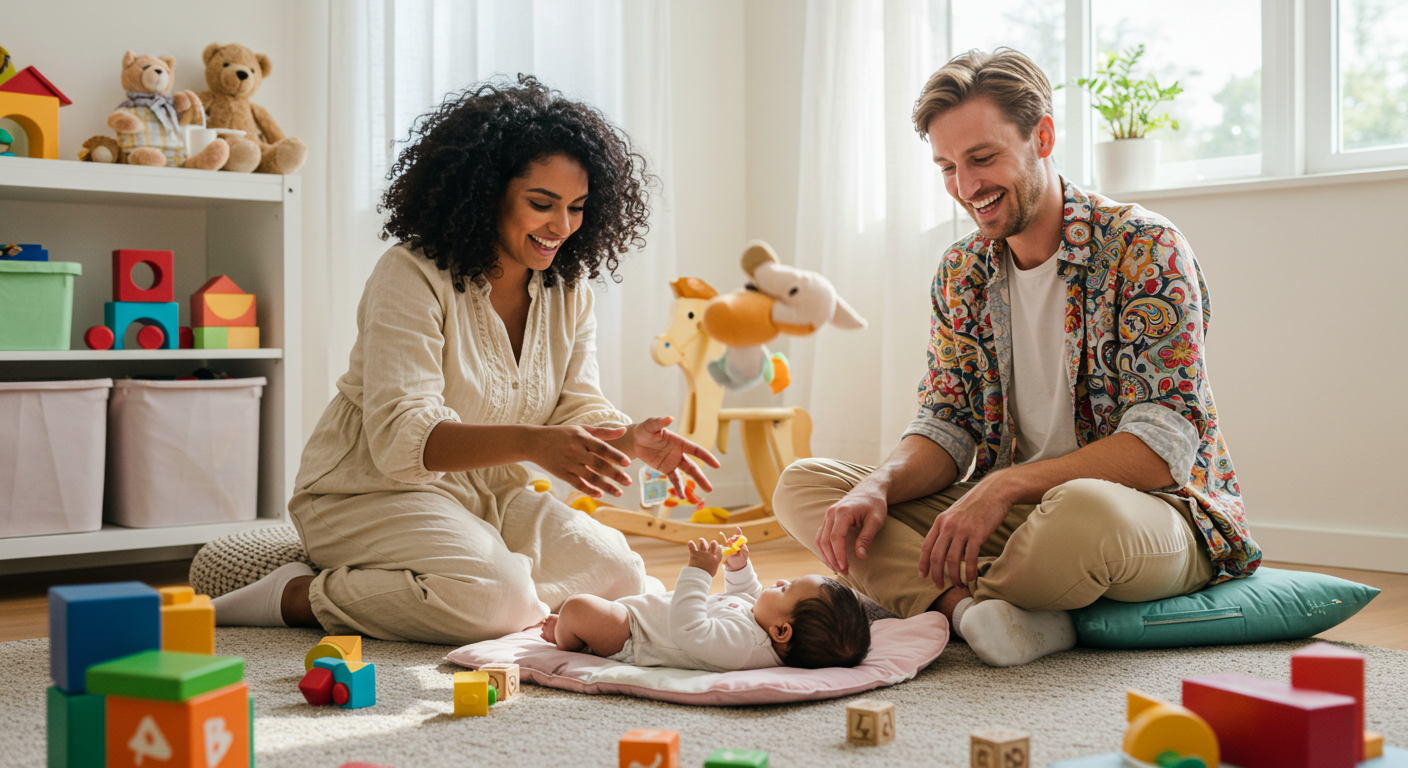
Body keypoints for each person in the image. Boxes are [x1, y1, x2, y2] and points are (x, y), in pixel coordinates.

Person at [773, 48, 1261, 667]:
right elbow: (946, 425)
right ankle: (971, 610)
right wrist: (878, 485)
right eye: (947, 166)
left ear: (1044, 136)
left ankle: (930, 594)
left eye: (982, 158)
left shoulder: (1147, 248)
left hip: (1151, 513)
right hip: (1016, 516)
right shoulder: (962, 271)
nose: (966, 187)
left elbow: (1162, 448)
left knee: (1083, 513)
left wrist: (1004, 485)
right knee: (808, 487)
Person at [212, 75, 720, 645]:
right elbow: (403, 441)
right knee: (496, 601)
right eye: (541, 204)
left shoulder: (567, 292)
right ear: (486, 193)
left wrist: (627, 439)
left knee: (621, 576)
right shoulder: (410, 274)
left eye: (577, 208)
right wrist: (531, 444)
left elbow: (573, 408)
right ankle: (297, 594)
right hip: (367, 493)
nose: (562, 227)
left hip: (487, 497)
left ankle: (483, 581)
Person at [542, 529, 871, 671]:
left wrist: (700, 573)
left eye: (786, 589)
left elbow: (689, 629)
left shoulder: (741, 647)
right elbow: (748, 596)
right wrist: (739, 567)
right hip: (648, 615)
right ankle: (576, 630)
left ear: (782, 632)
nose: (781, 581)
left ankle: (566, 638)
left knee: (579, 607)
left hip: (632, 637)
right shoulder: (764, 626)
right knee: (641, 587)